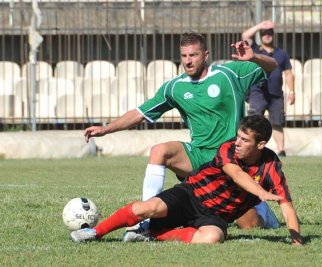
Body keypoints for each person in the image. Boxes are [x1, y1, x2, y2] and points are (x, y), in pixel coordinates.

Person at [83, 32, 278, 239]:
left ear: (205, 55)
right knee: (160, 151)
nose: (188, 61)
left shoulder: (230, 74)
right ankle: (147, 223)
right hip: (198, 156)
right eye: (184, 56)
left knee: (249, 225)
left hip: (231, 161)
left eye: (193, 55)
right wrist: (106, 129)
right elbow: (140, 113)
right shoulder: (175, 88)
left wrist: (255, 57)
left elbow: (272, 66)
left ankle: (264, 211)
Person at [71, 115, 303, 246]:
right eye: (239, 136)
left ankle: (152, 235)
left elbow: (287, 207)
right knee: (147, 207)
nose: (238, 142)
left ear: (261, 145)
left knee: (212, 238)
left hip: (216, 216)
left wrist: (297, 241)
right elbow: (237, 175)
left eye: (245, 140)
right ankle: (95, 233)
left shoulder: (272, 167)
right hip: (190, 195)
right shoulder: (227, 149)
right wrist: (261, 193)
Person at [242, 20, 295, 156]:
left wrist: (292, 92)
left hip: (276, 93)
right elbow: (245, 36)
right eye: (264, 33)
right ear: (260, 35)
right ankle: (251, 149)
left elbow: (288, 73)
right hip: (257, 92)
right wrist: (261, 25)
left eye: (270, 33)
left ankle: (281, 150)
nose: (267, 35)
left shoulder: (281, 53)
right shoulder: (254, 49)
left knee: (277, 122)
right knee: (253, 122)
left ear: (273, 35)